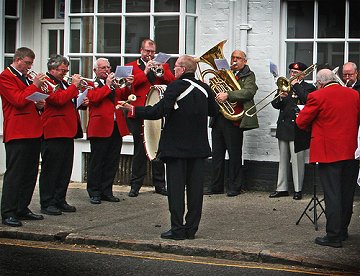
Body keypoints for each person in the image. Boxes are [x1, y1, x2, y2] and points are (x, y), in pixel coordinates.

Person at [118, 55, 218, 240]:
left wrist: (133, 109)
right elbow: (214, 111)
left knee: (176, 191)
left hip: (176, 148)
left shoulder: (175, 87)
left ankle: (177, 229)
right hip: (199, 148)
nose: (173, 70)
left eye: (175, 67)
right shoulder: (204, 88)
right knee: (196, 192)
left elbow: (157, 111)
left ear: (181, 69)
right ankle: (191, 229)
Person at [296, 69, 360, 248]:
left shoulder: (318, 96)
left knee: (332, 195)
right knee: (347, 194)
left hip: (328, 153)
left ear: (320, 83)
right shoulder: (354, 94)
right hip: (351, 152)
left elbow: (301, 122)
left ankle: (333, 235)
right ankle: (343, 230)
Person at [0, 47, 46, 227]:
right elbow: (17, 100)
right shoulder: (5, 76)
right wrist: (34, 85)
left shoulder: (24, 78)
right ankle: (8, 211)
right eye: (27, 63)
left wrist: (39, 105)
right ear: (17, 59)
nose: (29, 66)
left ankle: (22, 207)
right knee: (15, 174)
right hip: (17, 131)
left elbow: (27, 101)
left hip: (33, 130)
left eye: (30, 63)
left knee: (30, 172)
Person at [125, 38, 176, 197]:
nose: (150, 54)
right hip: (139, 111)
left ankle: (160, 184)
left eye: (152, 52)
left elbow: (172, 82)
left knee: (159, 148)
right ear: (141, 51)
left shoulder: (164, 65)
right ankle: (135, 185)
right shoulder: (131, 67)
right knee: (140, 149)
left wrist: (161, 69)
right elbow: (129, 88)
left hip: (157, 111)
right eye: (147, 51)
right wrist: (145, 71)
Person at [206, 50, 259, 197]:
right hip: (219, 117)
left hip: (234, 119)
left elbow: (249, 92)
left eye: (238, 58)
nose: (234, 61)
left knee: (234, 155)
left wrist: (228, 94)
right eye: (233, 58)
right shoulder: (223, 72)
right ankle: (216, 186)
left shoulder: (249, 75)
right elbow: (215, 91)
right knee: (217, 154)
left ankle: (235, 186)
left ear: (244, 61)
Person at [39, 54, 84, 215]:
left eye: (66, 70)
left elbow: (67, 100)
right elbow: (57, 100)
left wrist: (80, 100)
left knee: (65, 169)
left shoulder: (63, 83)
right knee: (51, 169)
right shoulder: (46, 82)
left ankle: (59, 199)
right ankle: (47, 202)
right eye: (61, 70)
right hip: (53, 131)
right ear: (52, 69)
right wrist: (74, 87)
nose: (65, 73)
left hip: (67, 130)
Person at [86, 58, 134, 204]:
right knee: (97, 161)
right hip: (100, 127)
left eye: (108, 67)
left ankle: (107, 190)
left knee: (111, 161)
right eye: (103, 68)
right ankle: (94, 191)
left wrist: (128, 85)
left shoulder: (114, 84)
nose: (107, 70)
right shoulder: (91, 84)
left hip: (115, 126)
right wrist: (107, 85)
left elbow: (124, 96)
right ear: (95, 70)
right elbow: (93, 99)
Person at [269, 62, 316, 200]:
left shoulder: (309, 87)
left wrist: (295, 85)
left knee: (297, 161)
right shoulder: (285, 86)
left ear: (303, 73)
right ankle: (282, 188)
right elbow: (275, 105)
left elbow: (307, 100)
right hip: (283, 127)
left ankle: (297, 189)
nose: (292, 75)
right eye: (291, 72)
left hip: (298, 129)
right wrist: (280, 97)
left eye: (295, 73)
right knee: (283, 160)